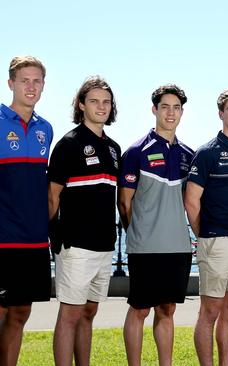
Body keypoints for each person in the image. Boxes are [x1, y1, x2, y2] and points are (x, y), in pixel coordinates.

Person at [118, 84, 194, 366]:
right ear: (155, 110)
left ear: (182, 112)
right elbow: (124, 202)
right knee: (139, 310)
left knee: (167, 308)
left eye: (176, 107)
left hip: (178, 247)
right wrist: (137, 232)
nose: (171, 112)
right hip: (145, 247)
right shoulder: (136, 152)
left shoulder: (188, 154)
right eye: (165, 107)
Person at [48, 76, 121, 366]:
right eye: (94, 101)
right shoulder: (68, 144)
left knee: (89, 313)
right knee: (70, 314)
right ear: (81, 105)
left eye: (106, 102)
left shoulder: (114, 148)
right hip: (75, 245)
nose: (101, 106)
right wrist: (53, 238)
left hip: (105, 244)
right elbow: (52, 198)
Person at [184, 89, 228, 366]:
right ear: (221, 114)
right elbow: (191, 202)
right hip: (216, 240)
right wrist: (205, 235)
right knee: (210, 310)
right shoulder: (207, 153)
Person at [0, 55, 53, 366]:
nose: (31, 86)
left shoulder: (45, 128)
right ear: (11, 84)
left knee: (21, 312)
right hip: (3, 237)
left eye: (37, 81)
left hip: (34, 239)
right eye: (24, 80)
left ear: (43, 86)